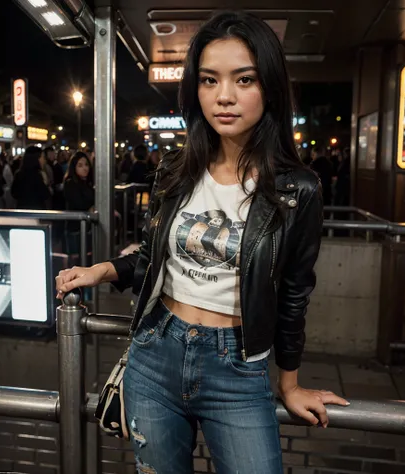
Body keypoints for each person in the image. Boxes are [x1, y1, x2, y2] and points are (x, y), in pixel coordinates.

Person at [56, 11, 348, 474]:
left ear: (269, 86)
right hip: (155, 353)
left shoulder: (299, 190)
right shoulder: (176, 168)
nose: (224, 96)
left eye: (244, 79)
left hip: (236, 367)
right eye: (209, 80)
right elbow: (155, 258)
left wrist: (289, 385)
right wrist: (103, 270)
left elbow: (295, 293)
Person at [63, 151, 94, 256]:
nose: (85, 168)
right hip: (75, 228)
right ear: (74, 167)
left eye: (86, 164)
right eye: (80, 165)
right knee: (76, 261)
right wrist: (91, 207)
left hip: (88, 227)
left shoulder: (89, 182)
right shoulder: (70, 183)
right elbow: (79, 204)